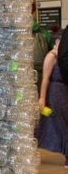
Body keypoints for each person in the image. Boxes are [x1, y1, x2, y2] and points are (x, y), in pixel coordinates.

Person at [36, 32, 68, 167]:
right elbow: (45, 79)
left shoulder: (62, 58)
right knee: (59, 123)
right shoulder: (51, 56)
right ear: (57, 41)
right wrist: (42, 98)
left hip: (64, 93)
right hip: (54, 94)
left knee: (60, 124)